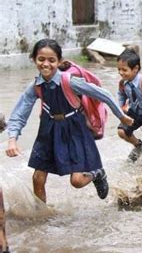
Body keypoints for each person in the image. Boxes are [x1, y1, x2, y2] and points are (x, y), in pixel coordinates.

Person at [5, 38, 134, 203]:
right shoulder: (35, 86)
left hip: (75, 128)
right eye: (41, 59)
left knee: (77, 181)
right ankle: (42, 218)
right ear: (34, 60)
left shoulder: (69, 81)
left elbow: (104, 94)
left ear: (59, 61)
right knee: (38, 177)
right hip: (48, 129)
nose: (46, 64)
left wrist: (121, 116)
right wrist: (12, 140)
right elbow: (20, 113)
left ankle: (97, 173)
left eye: (51, 60)